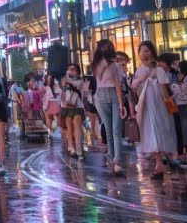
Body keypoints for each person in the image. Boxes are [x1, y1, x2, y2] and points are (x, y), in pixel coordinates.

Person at [133, 41, 176, 179]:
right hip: (145, 104)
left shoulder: (158, 69)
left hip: (158, 104)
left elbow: (164, 88)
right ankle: (160, 162)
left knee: (160, 129)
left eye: (147, 50)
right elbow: (135, 89)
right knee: (151, 130)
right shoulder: (139, 71)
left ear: (151, 51)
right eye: (142, 51)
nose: (144, 53)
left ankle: (161, 162)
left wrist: (168, 104)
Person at [91, 39, 128, 177]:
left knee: (110, 129)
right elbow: (117, 84)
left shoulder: (96, 65)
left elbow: (114, 83)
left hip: (101, 96)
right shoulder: (113, 65)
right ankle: (116, 161)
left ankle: (114, 159)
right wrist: (120, 103)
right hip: (110, 94)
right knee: (115, 130)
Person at [60, 65, 87, 159]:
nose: (70, 71)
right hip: (67, 106)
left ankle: (79, 150)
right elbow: (62, 94)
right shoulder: (64, 80)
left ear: (77, 71)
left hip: (78, 105)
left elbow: (79, 88)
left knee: (77, 125)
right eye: (69, 69)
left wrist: (68, 82)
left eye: (73, 69)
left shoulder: (80, 80)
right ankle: (71, 147)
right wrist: (63, 85)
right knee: (69, 127)